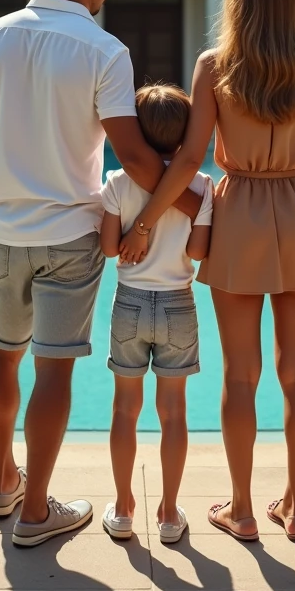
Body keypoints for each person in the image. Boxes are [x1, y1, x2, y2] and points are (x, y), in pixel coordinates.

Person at [0, 0, 201, 548]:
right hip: (70, 235)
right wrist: (197, 200)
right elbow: (135, 156)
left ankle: (3, 480)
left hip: (7, 229)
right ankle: (36, 511)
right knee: (53, 372)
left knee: (1, 354)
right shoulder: (104, 50)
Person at [118, 0, 295, 543]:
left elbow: (191, 157)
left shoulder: (215, 66)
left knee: (239, 375)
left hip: (237, 210)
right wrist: (290, 191)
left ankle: (242, 511)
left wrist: (145, 222)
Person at [98, 84, 214, 545]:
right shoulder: (202, 186)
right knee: (174, 413)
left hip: (129, 302)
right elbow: (200, 251)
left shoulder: (116, 182)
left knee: (125, 411)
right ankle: (168, 514)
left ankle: (124, 508)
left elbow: (110, 249)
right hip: (178, 305)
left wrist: (135, 231)